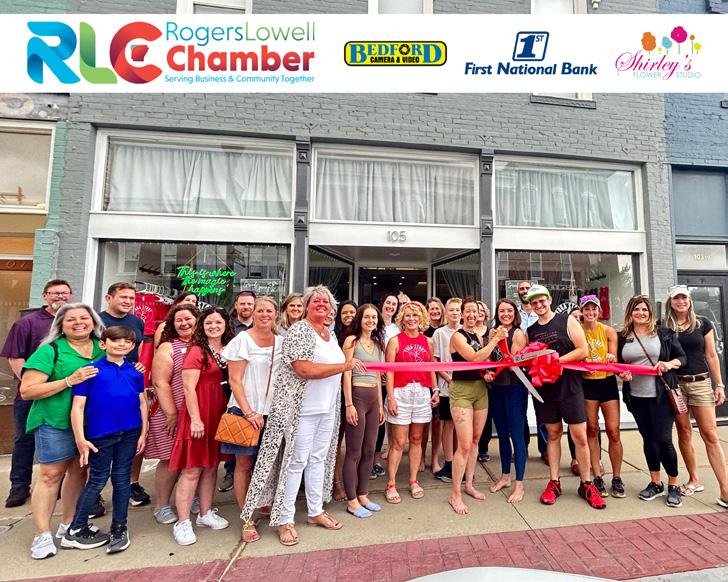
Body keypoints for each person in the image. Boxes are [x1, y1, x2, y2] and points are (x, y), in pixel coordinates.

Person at [241, 285, 363, 547]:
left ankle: (315, 511)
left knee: (318, 459)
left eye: (326, 302)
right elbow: (303, 369)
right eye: (315, 301)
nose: (321, 304)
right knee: (295, 462)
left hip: (327, 409)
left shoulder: (329, 333)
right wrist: (344, 366)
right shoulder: (299, 330)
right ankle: (284, 519)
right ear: (307, 305)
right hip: (302, 410)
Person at [19, 303, 105, 560]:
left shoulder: (102, 347)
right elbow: (27, 390)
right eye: (71, 319)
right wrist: (69, 381)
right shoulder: (50, 350)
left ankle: (69, 524)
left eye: (84, 318)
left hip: (91, 423)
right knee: (50, 475)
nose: (79, 323)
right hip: (55, 421)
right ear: (61, 325)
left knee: (79, 472)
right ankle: (42, 534)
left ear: (93, 322)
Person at [62, 326, 147, 554]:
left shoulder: (135, 371)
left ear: (132, 346)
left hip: (130, 432)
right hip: (101, 435)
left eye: (127, 341)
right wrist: (80, 439)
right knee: (97, 480)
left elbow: (142, 403)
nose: (121, 345)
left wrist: (143, 432)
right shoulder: (90, 371)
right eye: (116, 340)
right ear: (103, 344)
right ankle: (76, 529)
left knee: (122, 480)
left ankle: (119, 527)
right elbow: (77, 407)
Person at [524, 285, 605, 510]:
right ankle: (554, 482)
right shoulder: (530, 331)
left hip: (570, 387)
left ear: (549, 300)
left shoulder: (567, 320)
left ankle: (586, 483)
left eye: (542, 301)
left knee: (580, 436)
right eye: (534, 302)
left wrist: (554, 361)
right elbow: (525, 358)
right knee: (553, 434)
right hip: (545, 390)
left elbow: (582, 350)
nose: (539, 305)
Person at [1, 279, 73, 509]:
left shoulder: (74, 322)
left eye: (64, 293)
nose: (60, 297)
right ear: (45, 296)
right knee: (24, 439)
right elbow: (15, 357)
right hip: (31, 395)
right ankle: (19, 485)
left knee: (62, 438)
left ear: (71, 296)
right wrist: (33, 384)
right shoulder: (27, 323)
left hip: (64, 393)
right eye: (54, 293)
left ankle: (59, 483)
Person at [169, 307, 235, 545]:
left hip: (219, 411)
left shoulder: (228, 348)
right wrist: (195, 419)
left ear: (225, 325)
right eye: (209, 323)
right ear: (202, 326)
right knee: (192, 469)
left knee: (211, 466)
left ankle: (205, 513)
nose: (213, 327)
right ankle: (183, 521)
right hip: (199, 412)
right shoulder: (197, 350)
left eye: (218, 322)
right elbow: (188, 388)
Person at [221, 296, 283, 543]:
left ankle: (264, 502)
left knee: (267, 464)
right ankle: (246, 517)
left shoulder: (281, 341)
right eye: (260, 310)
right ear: (253, 313)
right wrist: (249, 412)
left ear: (276, 314)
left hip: (272, 412)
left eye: (269, 310)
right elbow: (234, 380)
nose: (264, 314)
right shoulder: (242, 340)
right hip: (245, 411)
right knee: (243, 465)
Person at [618, 294, 686, 508]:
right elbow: (619, 364)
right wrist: (622, 374)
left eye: (644, 310)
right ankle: (655, 482)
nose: (640, 313)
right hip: (636, 396)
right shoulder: (623, 336)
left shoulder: (663, 333)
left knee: (664, 440)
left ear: (650, 313)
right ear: (630, 313)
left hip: (661, 395)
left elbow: (682, 358)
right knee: (648, 439)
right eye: (636, 309)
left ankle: (673, 484)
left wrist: (668, 364)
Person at [663, 285, 728, 505]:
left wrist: (719, 384)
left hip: (700, 383)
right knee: (684, 432)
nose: (680, 301)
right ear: (670, 302)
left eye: (684, 297)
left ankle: (725, 489)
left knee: (710, 434)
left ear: (689, 300)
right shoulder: (665, 326)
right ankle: (693, 479)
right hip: (676, 385)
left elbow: (711, 355)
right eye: (676, 298)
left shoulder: (703, 323)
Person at [448, 298, 505, 514]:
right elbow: (474, 357)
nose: (472, 315)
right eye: (469, 311)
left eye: (476, 311)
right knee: (463, 445)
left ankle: (469, 484)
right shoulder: (458, 336)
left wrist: (488, 372)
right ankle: (455, 494)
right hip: (462, 391)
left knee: (474, 441)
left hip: (480, 389)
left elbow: (485, 362)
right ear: (462, 314)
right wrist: (495, 339)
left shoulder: (479, 337)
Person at [145, 304, 199, 525]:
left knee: (194, 459)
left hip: (197, 413)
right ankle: (162, 505)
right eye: (179, 320)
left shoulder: (204, 345)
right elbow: (160, 382)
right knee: (170, 459)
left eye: (188, 319)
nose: (184, 323)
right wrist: (171, 413)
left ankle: (191, 497)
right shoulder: (168, 347)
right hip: (172, 412)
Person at [98, 281, 150, 508]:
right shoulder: (97, 321)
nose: (128, 301)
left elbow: (137, 353)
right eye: (124, 297)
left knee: (136, 434)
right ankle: (95, 490)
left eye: (131, 298)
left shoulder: (137, 321)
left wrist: (137, 366)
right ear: (109, 298)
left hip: (131, 383)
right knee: (101, 438)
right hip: (104, 384)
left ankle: (132, 483)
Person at [384, 301, 438, 504]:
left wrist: (435, 389)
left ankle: (413, 480)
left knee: (416, 439)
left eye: (415, 315)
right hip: (401, 392)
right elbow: (389, 371)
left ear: (421, 318)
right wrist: (391, 397)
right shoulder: (395, 341)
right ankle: (391, 483)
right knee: (398, 442)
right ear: (402, 318)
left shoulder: (428, 341)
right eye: (408, 315)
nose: (411, 319)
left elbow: (431, 367)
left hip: (422, 392)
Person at [341, 304, 385, 518]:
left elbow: (377, 375)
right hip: (357, 396)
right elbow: (346, 373)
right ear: (360, 319)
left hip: (373, 398)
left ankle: (363, 494)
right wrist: (349, 404)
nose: (371, 321)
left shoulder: (377, 344)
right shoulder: (351, 341)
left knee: (369, 450)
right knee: (354, 451)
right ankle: (352, 501)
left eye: (374, 317)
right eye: (367, 317)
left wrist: (381, 405)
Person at [578, 294, 624, 499]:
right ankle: (597, 474)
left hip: (606, 383)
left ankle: (617, 476)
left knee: (613, 431)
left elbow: (613, 358)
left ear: (599, 311)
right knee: (592, 429)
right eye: (587, 309)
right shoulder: (577, 330)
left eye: (594, 309)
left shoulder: (608, 331)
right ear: (581, 311)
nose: (591, 312)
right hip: (587, 383)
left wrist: (611, 357)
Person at [487, 299, 528, 504]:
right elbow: (489, 359)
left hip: (515, 388)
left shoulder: (518, 333)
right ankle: (505, 476)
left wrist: (500, 340)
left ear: (515, 313)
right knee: (502, 434)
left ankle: (519, 484)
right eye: (502, 311)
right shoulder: (492, 332)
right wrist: (487, 372)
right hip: (497, 388)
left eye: (509, 311)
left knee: (516, 435)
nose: (505, 314)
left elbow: (511, 362)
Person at [219, 290, 257, 492]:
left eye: (250, 303)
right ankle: (230, 471)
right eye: (242, 303)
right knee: (235, 432)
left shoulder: (261, 327)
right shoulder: (229, 328)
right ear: (236, 305)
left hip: (254, 388)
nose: (246, 307)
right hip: (230, 384)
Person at [432, 297, 462, 482]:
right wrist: (449, 379)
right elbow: (435, 361)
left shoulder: (466, 331)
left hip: (465, 386)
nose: (455, 313)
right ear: (446, 312)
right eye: (451, 310)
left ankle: (461, 462)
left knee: (461, 426)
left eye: (458, 310)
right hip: (446, 387)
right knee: (448, 424)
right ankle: (449, 463)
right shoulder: (439, 333)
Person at [332, 300, 358, 502]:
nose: (349, 315)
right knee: (336, 442)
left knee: (355, 441)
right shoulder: (334, 337)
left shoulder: (362, 336)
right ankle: (335, 482)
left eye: (352, 312)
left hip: (359, 391)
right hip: (337, 392)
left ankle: (353, 480)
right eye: (345, 312)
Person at [373, 292, 401, 474]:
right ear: (382, 304)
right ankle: (370, 460)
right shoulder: (373, 324)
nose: (391, 306)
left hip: (391, 380)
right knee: (376, 420)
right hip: (374, 378)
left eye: (394, 304)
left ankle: (383, 455)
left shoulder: (397, 329)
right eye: (388, 303)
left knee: (388, 420)